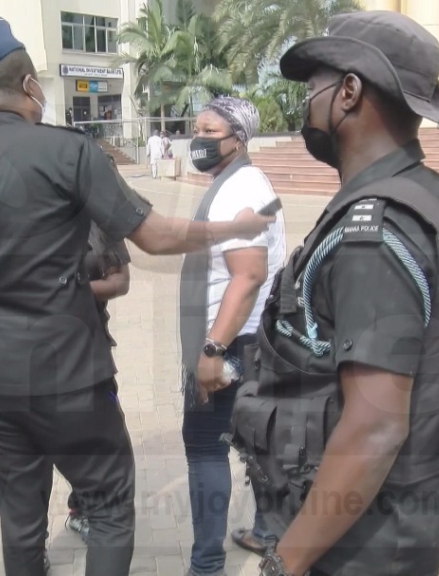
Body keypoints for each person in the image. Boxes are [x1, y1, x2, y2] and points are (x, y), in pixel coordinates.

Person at [0, 14, 274, 576]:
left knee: (20, 518)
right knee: (106, 507)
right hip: (71, 376)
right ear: (31, 85)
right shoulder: (69, 153)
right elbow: (151, 235)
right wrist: (227, 230)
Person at [224, 11, 439, 576]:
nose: (306, 104)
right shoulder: (423, 194)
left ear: (349, 94)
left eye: (313, 87)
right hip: (392, 516)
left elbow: (376, 425)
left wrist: (283, 564)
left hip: (367, 539)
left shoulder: (374, 235)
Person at [176, 97, 285, 576]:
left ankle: (206, 565)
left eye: (208, 131)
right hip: (253, 342)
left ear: (237, 141)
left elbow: (248, 276)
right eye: (195, 128)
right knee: (252, 443)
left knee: (204, 447)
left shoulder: (237, 188)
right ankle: (264, 530)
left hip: (230, 345)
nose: (197, 139)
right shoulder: (246, 180)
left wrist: (210, 351)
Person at [64, 155, 140, 544]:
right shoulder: (36, 215)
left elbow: (120, 281)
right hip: (27, 352)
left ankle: (85, 508)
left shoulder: (102, 222)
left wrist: (66, 294)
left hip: (89, 348)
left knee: (106, 437)